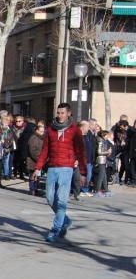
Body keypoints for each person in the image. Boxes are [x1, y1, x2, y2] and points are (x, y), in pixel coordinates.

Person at [34, 103, 86, 243]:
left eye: (62, 112)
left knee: (62, 200)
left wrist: (82, 172)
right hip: (52, 167)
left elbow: (81, 151)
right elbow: (45, 150)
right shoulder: (50, 129)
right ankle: (65, 220)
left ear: (69, 113)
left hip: (66, 168)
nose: (60, 115)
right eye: (58, 112)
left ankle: (55, 229)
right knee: (50, 198)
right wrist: (38, 168)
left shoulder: (75, 130)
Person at [26, 121, 46, 195]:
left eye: (43, 131)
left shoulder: (41, 138)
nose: (42, 133)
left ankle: (36, 188)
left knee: (38, 176)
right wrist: (40, 159)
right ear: (37, 130)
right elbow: (33, 151)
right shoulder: (34, 138)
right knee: (32, 176)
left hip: (39, 161)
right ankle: (32, 189)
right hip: (33, 161)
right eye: (41, 131)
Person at [93, 130, 112, 198]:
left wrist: (107, 153)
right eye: (107, 135)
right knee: (101, 177)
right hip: (100, 160)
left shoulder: (103, 141)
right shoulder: (100, 141)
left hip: (103, 160)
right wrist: (107, 152)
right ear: (104, 135)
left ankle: (106, 190)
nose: (108, 137)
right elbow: (99, 151)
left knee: (104, 176)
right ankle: (97, 191)